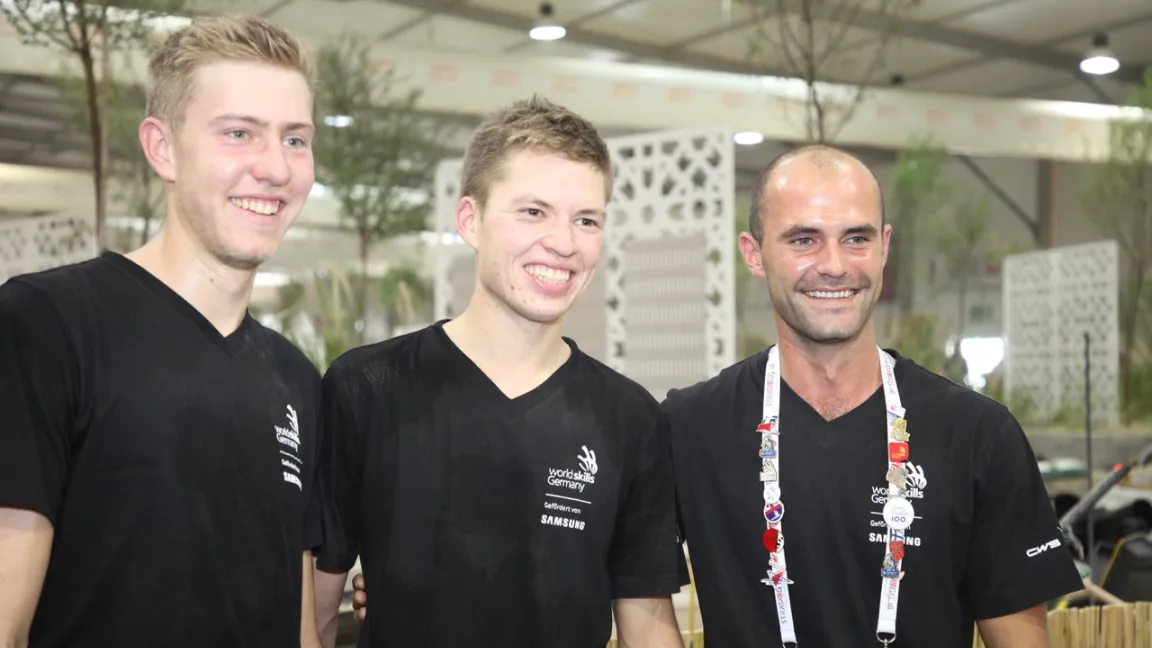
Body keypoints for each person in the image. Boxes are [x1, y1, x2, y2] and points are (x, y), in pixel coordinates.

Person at [662, 144, 1082, 647]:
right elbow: (632, 596)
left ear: (884, 247)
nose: (835, 265)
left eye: (855, 238)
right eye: (804, 239)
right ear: (754, 254)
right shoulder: (689, 427)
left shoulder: (976, 434)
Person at [311, 96, 687, 648]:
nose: (563, 243)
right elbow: (315, 611)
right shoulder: (366, 389)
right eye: (533, 211)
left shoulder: (630, 418)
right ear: (471, 220)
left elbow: (646, 621)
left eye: (586, 220)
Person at [0, 15, 325, 648]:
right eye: (239, 133)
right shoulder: (47, 324)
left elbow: (299, 625)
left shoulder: (296, 381)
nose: (275, 168)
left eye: (295, 139)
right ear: (162, 147)